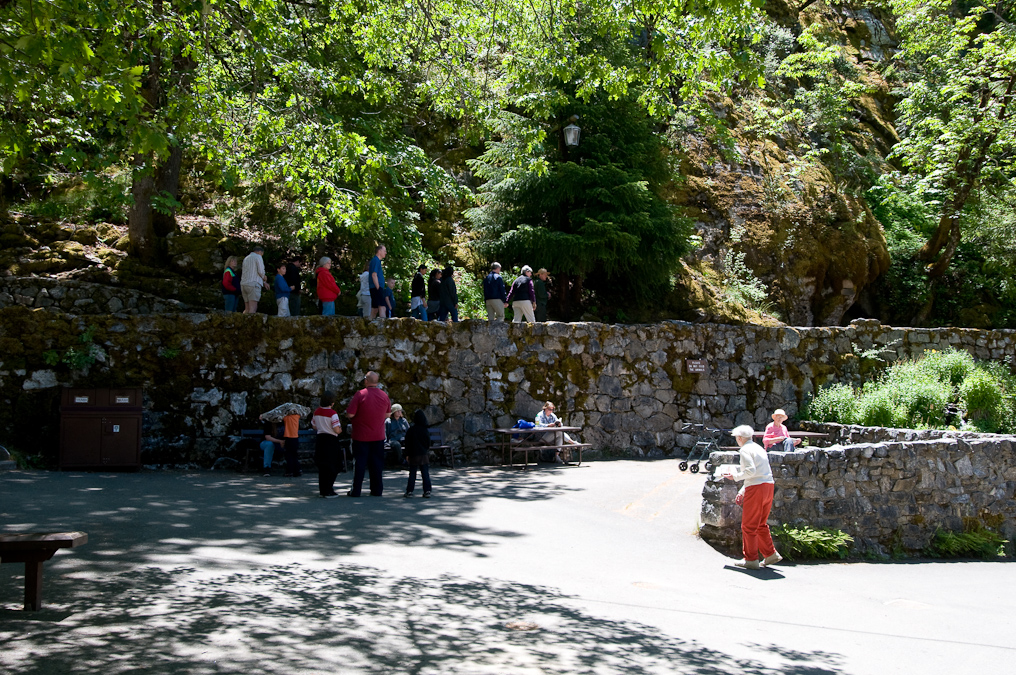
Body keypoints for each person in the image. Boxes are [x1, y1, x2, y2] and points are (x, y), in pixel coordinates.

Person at [722, 425, 782, 569]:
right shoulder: (758, 448)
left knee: (748, 525)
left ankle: (751, 559)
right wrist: (743, 490)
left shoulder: (745, 450)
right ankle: (770, 554)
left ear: (740, 438)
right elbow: (759, 472)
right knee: (761, 523)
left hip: (757, 488)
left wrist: (734, 476)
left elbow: (750, 471)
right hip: (768, 486)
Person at [345, 371, 391, 496]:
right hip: (378, 436)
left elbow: (350, 414)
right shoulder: (384, 395)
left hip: (361, 435)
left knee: (359, 463)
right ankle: (377, 490)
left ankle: (356, 490)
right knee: (377, 464)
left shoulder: (360, 395)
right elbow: (387, 414)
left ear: (366, 380)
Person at [312, 391, 342, 498]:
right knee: (333, 465)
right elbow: (336, 429)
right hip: (331, 439)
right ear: (332, 402)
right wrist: (340, 430)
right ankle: (329, 489)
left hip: (320, 439)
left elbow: (314, 426)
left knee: (323, 466)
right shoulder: (332, 414)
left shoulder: (316, 412)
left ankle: (322, 490)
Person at [403, 410, 432, 498]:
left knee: (412, 473)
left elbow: (407, 443)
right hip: (423, 454)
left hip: (413, 454)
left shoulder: (411, 430)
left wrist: (407, 454)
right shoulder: (425, 430)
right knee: (425, 473)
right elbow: (428, 443)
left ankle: (410, 491)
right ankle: (427, 490)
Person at [241, 245, 270, 314]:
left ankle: (243, 323)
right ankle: (250, 324)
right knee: (252, 309)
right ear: (260, 252)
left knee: (247, 309)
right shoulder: (258, 257)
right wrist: (265, 278)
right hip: (253, 284)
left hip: (244, 284)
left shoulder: (246, 258)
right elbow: (261, 271)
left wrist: (264, 283)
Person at [369, 245, 388, 318]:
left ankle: (370, 324)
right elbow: (374, 275)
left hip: (374, 287)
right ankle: (383, 325)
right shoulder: (376, 260)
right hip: (376, 287)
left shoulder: (376, 261)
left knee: (375, 308)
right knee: (382, 307)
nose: (385, 253)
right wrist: (378, 287)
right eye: (384, 251)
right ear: (379, 251)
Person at [282, 409, 302, 477]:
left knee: (289, 455)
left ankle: (289, 471)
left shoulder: (286, 417)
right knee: (294, 455)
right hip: (295, 437)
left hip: (288, 437)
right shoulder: (297, 416)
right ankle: (297, 470)